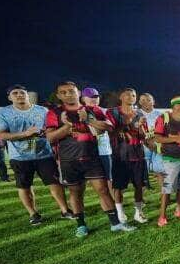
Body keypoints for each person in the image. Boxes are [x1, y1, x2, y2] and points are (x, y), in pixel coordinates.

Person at [45, 81, 135, 237]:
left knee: (103, 190)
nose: (68, 94)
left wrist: (88, 120)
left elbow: (109, 127)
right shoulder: (55, 113)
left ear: (78, 92)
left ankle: (115, 224)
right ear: (59, 95)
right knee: (75, 192)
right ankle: (81, 225)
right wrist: (67, 126)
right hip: (69, 159)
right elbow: (51, 137)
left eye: (71, 91)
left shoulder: (92, 110)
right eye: (64, 92)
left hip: (92, 157)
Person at [0, 85, 73, 224]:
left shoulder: (42, 110)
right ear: (9, 97)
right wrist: (25, 133)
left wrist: (44, 132)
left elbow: (51, 129)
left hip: (44, 154)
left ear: (27, 94)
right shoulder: (3, 113)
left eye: (22, 92)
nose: (19, 95)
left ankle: (65, 210)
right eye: (15, 93)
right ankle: (33, 214)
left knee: (54, 182)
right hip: (20, 156)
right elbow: (1, 135)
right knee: (24, 186)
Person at [106, 88, 151, 224]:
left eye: (133, 95)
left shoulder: (139, 114)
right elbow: (112, 130)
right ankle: (120, 212)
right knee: (118, 186)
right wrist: (131, 121)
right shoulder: (112, 112)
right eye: (128, 95)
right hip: (120, 156)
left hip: (137, 155)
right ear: (121, 96)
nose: (131, 97)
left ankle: (138, 212)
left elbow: (144, 136)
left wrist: (141, 127)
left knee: (139, 186)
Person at [153, 96, 180, 227]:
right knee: (167, 189)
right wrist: (176, 139)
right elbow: (158, 138)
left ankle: (179, 210)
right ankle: (162, 216)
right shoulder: (164, 118)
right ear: (176, 106)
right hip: (170, 159)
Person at [80, 88, 113, 181]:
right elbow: (97, 130)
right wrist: (99, 125)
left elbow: (108, 127)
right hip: (88, 152)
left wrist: (88, 121)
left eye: (96, 97)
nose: (94, 99)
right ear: (83, 99)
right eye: (91, 97)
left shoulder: (101, 110)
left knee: (109, 179)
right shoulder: (80, 110)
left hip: (104, 151)